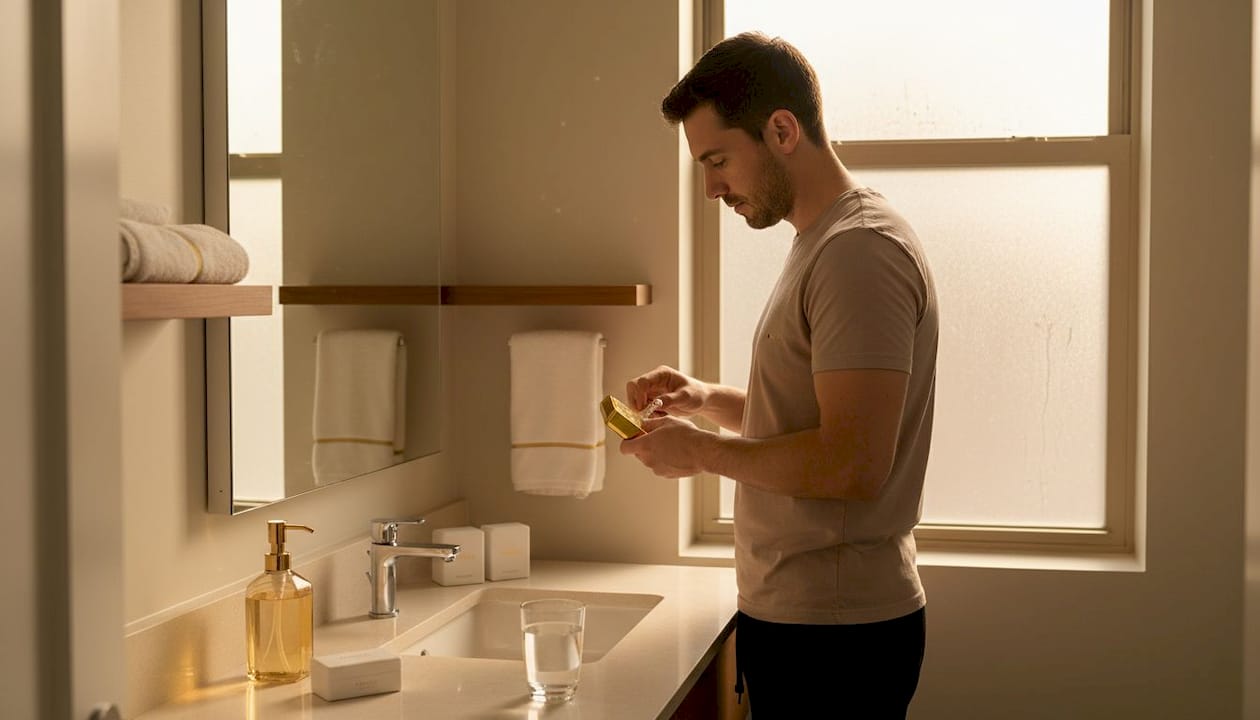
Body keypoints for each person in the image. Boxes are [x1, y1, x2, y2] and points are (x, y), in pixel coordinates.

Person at [620, 32, 939, 718]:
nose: (709, 188)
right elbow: (812, 425)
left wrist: (702, 453)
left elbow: (853, 463)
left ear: (783, 130)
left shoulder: (858, 253)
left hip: (837, 636)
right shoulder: (822, 242)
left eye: (717, 160)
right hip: (812, 622)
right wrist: (708, 401)